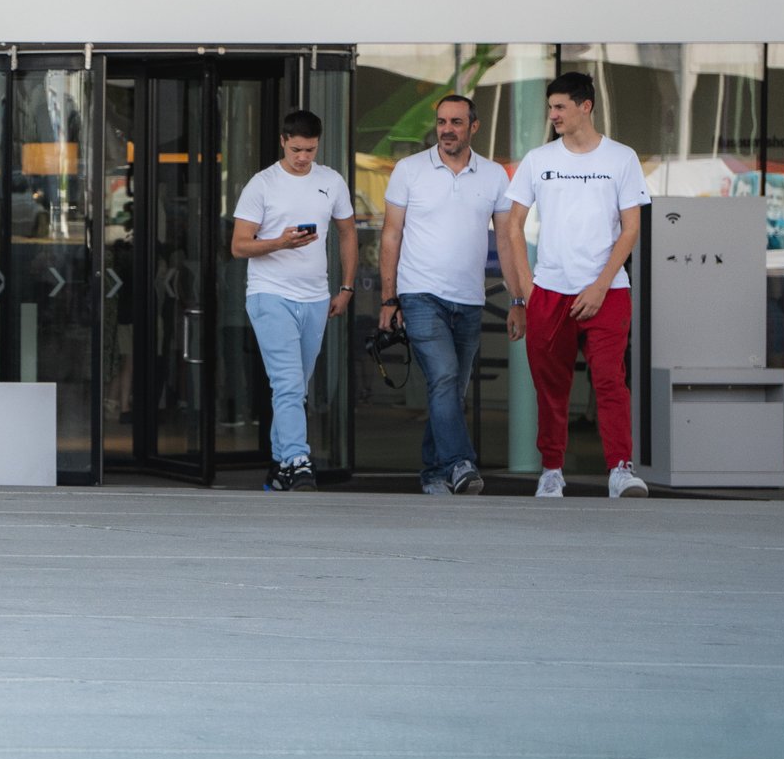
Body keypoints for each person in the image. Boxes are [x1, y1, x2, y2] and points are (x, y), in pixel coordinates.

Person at [502, 71, 651, 498]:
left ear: (585, 106)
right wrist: (528, 292)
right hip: (549, 292)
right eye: (550, 108)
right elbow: (513, 225)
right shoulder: (538, 159)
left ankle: (620, 469)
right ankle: (551, 470)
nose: (553, 115)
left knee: (610, 381)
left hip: (608, 291)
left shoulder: (621, 158)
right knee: (551, 388)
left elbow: (631, 228)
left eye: (560, 107)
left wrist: (601, 286)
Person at [377, 95, 515, 496]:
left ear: (473, 126)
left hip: (469, 299)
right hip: (420, 294)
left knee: (450, 389)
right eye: (441, 122)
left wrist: (518, 299)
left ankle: (435, 474)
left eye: (456, 122)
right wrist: (389, 298)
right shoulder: (409, 170)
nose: (447, 129)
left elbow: (506, 240)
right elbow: (391, 235)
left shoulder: (494, 175)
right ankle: (460, 463)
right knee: (443, 376)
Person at [230, 109, 358, 491]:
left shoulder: (331, 181)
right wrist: (280, 243)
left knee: (295, 388)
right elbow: (238, 246)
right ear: (283, 141)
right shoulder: (262, 184)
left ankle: (280, 467)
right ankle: (299, 460)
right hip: (270, 294)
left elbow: (348, 233)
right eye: (297, 149)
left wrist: (346, 288)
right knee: (287, 383)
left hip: (316, 297)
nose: (303, 157)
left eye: (310, 150)